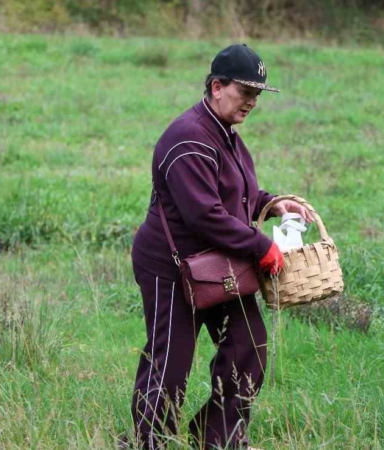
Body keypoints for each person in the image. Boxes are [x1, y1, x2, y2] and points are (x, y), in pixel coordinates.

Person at [123, 44, 314, 449]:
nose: (252, 102)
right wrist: (261, 246)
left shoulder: (225, 133)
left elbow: (235, 193)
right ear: (216, 86)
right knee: (170, 363)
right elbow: (205, 215)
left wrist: (271, 203)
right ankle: (147, 442)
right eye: (245, 92)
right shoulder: (189, 138)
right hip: (170, 267)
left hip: (219, 267)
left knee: (249, 347)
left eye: (257, 94)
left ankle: (216, 438)